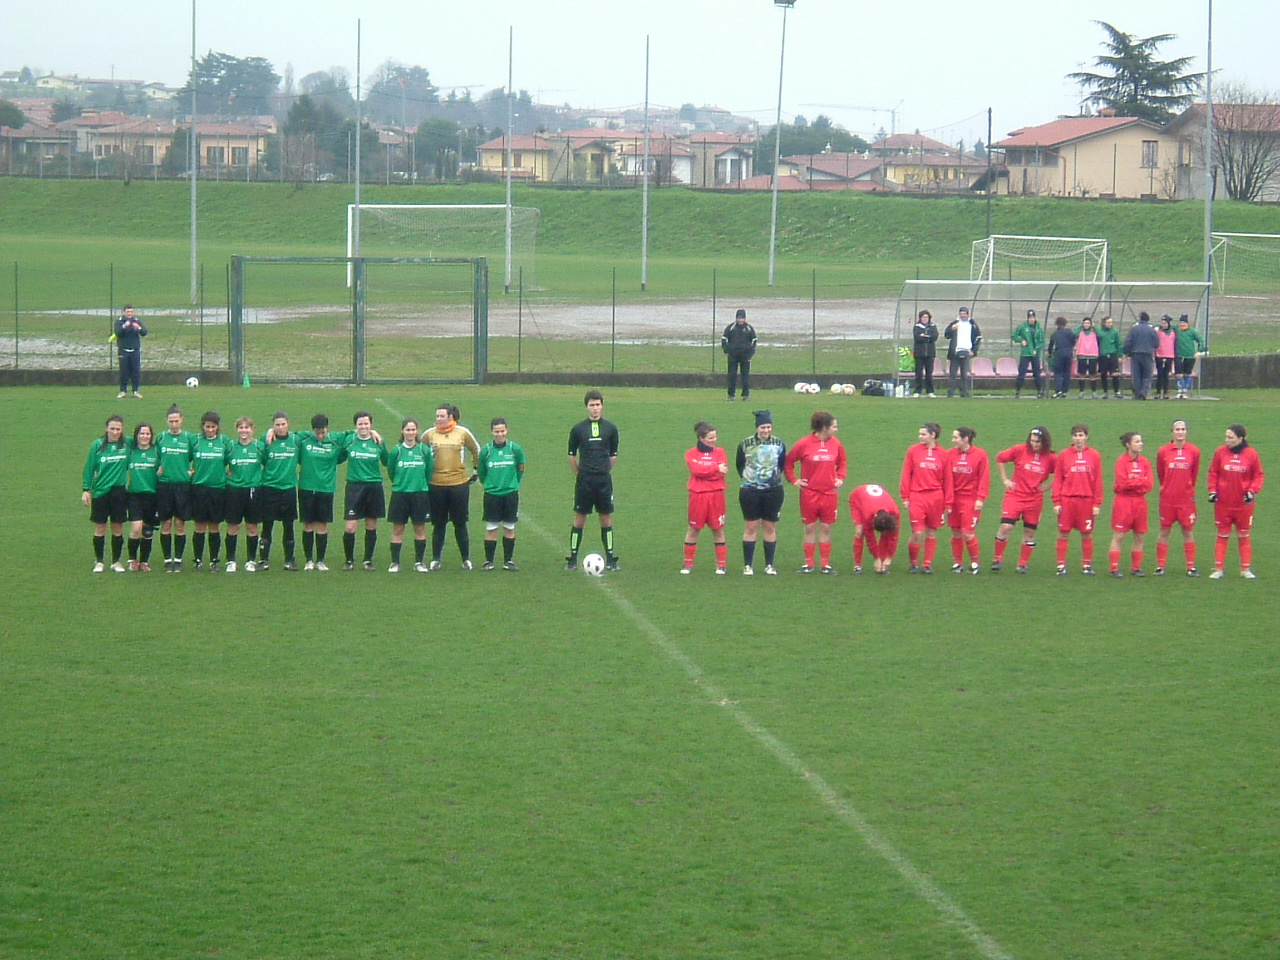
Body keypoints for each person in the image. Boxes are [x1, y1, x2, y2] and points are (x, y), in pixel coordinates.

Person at [783, 410, 847, 574]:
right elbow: (788, 462)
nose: (836, 429)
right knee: (810, 528)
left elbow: (843, 462)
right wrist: (794, 480)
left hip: (829, 493)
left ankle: (825, 564)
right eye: (834, 426)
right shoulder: (804, 444)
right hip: (809, 494)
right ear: (824, 428)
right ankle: (809, 564)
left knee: (826, 527)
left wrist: (840, 477)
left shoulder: (836, 444)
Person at [566, 389, 621, 571]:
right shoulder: (578, 429)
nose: (595, 409)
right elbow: (571, 455)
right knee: (580, 518)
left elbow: (614, 455)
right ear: (586, 407)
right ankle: (573, 558)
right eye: (592, 405)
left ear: (602, 406)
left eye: (598, 405)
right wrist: (580, 474)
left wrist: (604, 471)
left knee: (606, 518)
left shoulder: (611, 429)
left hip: (604, 481)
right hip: (585, 481)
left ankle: (611, 558)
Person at [425, 402, 481, 571]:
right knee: (439, 523)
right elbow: (418, 450)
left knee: (460, 522)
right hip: (436, 485)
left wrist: (477, 470)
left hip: (459, 485)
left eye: (442, 416)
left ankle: (466, 559)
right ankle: (436, 559)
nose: (439, 419)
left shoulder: (462, 433)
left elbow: (476, 450)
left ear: (451, 417)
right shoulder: (429, 434)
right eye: (437, 416)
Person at [992, 426, 1055, 573]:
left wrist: (1048, 487)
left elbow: (1062, 473)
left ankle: (1023, 563)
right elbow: (1000, 458)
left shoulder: (1051, 458)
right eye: (1032, 441)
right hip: (1015, 495)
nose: (1034, 444)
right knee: (1006, 527)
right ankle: (997, 559)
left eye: (1037, 442)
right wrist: (1005, 480)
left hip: (1034, 499)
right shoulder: (1020, 450)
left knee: (1029, 531)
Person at [1207, 423, 1265, 579]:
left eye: (1230, 437)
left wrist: (1252, 491)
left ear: (1240, 438)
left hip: (1243, 505)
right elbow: (1213, 473)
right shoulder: (1220, 452)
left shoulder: (1251, 454)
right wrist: (1212, 491)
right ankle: (1218, 569)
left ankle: (1245, 569)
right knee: (1222, 535)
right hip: (1223, 504)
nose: (1227, 440)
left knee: (1244, 535)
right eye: (1226, 437)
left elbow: (1258, 476)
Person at [292, 413, 347, 571]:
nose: (320, 435)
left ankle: (321, 560)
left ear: (327, 429)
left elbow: (352, 435)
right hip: (307, 488)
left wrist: (373, 432)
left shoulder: (335, 440)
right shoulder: (304, 439)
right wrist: (269, 432)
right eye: (317, 432)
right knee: (308, 524)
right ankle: (309, 559)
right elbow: (286, 434)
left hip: (326, 488)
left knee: (322, 524)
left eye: (323, 432)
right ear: (312, 430)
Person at [736, 409, 787, 576]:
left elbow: (781, 465)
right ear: (757, 427)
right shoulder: (745, 444)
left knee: (770, 526)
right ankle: (748, 565)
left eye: (768, 427)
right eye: (763, 427)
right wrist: (751, 480)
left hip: (773, 491)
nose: (766, 431)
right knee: (751, 527)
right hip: (750, 491)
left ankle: (769, 565)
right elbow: (740, 465)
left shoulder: (779, 444)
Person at [335, 411, 388, 571]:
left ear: (371, 424)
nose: (363, 426)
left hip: (374, 486)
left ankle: (367, 560)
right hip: (354, 487)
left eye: (366, 424)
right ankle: (349, 560)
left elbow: (387, 461)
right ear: (355, 426)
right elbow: (338, 458)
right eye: (360, 424)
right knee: (350, 527)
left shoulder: (377, 442)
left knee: (371, 525)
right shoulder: (350, 441)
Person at [900, 422, 953, 574]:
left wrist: (948, 503)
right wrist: (905, 496)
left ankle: (927, 564)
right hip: (917, 496)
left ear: (933, 435)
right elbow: (906, 474)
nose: (920, 437)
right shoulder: (913, 451)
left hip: (936, 497)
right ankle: (914, 562)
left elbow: (948, 479)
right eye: (920, 434)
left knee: (931, 531)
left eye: (923, 434)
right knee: (917, 532)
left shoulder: (943, 454)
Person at [1052, 424, 1104, 576]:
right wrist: (1056, 501)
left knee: (1087, 533)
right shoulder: (1064, 455)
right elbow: (1058, 480)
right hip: (1067, 500)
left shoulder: (1095, 455)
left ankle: (1086, 565)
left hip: (1086, 501)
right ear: (1072, 437)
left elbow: (1098, 481)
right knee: (1063, 533)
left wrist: (1097, 503)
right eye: (1075, 435)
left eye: (1081, 435)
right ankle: (1061, 565)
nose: (1078, 439)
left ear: (1086, 437)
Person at [384, 418, 433, 573]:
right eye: (408, 429)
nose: (410, 433)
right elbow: (391, 471)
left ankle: (419, 562)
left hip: (419, 495)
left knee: (420, 528)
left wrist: (419, 485)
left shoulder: (424, 450)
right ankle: (395, 563)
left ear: (417, 431)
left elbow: (428, 472)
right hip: (400, 494)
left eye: (413, 430)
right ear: (402, 431)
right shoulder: (396, 451)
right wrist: (401, 483)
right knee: (398, 529)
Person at [477, 416, 526, 571]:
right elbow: (482, 472)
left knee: (509, 527)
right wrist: (490, 485)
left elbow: (520, 468)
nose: (500, 434)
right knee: (491, 527)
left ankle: (508, 561)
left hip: (510, 494)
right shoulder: (486, 451)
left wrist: (513, 483)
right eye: (497, 431)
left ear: (507, 431)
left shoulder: (514, 449)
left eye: (502, 431)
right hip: (492, 495)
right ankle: (489, 561)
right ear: (492, 431)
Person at [680, 421, 730, 574]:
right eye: (710, 438)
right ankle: (688, 564)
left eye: (715, 437)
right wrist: (714, 468)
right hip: (698, 496)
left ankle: (721, 565)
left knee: (718, 529)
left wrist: (708, 472)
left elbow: (723, 471)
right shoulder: (691, 453)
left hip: (716, 496)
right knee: (694, 528)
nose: (714, 440)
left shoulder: (720, 452)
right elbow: (696, 470)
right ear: (701, 438)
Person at [82, 414, 130, 572]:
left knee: (117, 528)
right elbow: (89, 469)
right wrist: (86, 490)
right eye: (112, 429)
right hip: (101, 492)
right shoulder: (97, 445)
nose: (115, 432)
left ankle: (116, 561)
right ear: (106, 428)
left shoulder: (127, 443)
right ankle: (99, 561)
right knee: (100, 528)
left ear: (122, 430)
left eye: (118, 429)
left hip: (119, 492)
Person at [1156, 419, 1201, 577]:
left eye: (1183, 429)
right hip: (1168, 499)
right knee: (1164, 531)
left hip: (1186, 500)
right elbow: (1161, 474)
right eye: (1177, 429)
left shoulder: (1194, 451)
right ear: (1172, 432)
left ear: (1186, 431)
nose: (1180, 432)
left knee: (1188, 531)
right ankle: (1160, 566)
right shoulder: (1163, 451)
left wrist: (1187, 489)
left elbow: (1194, 474)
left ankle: (1190, 566)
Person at [155, 404, 196, 572]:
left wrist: (191, 471)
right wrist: (158, 469)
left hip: (183, 486)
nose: (173, 424)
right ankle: (167, 559)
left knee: (180, 524)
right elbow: (155, 457)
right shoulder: (161, 438)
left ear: (182, 420)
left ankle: (178, 559)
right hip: (164, 486)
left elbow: (197, 457)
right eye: (170, 421)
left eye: (176, 421)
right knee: (166, 523)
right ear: (166, 421)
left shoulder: (189, 438)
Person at [190, 411, 232, 571]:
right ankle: (198, 560)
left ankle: (214, 560)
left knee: (214, 526)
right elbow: (184, 458)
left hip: (218, 489)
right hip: (199, 488)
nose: (210, 430)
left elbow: (230, 460)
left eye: (213, 427)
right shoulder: (195, 441)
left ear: (218, 427)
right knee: (200, 526)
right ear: (202, 426)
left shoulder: (224, 442)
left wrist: (229, 472)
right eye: (207, 426)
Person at [258, 411, 301, 571]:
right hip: (269, 488)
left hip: (288, 489)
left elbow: (317, 433)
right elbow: (260, 459)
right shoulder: (266, 440)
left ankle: (290, 560)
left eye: (283, 424)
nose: (280, 427)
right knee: (267, 524)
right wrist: (269, 433)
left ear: (288, 423)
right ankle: (263, 560)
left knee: (288, 525)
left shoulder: (296, 439)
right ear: (273, 426)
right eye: (277, 425)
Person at [1109, 432, 1154, 577]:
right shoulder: (1121, 462)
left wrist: (1133, 483)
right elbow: (1122, 484)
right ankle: (1114, 568)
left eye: (1141, 441)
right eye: (1137, 441)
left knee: (1140, 536)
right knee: (1120, 535)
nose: (1140, 444)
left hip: (1140, 502)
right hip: (1124, 502)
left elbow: (1149, 485)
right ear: (1128, 445)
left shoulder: (1145, 462)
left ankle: (1136, 567)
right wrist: (1140, 482)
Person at [224, 416, 265, 573]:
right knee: (233, 526)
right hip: (234, 490)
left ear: (252, 430)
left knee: (252, 527)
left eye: (247, 428)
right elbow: (220, 463)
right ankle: (231, 560)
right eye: (241, 428)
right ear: (237, 430)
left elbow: (267, 463)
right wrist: (226, 473)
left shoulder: (259, 447)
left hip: (253, 490)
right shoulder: (231, 447)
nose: (244, 431)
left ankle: (251, 560)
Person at [946, 426, 989, 574]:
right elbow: (948, 479)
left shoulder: (980, 455)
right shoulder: (950, 454)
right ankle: (958, 563)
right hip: (955, 500)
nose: (953, 441)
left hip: (971, 500)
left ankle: (975, 562)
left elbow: (984, 477)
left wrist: (980, 498)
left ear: (965, 439)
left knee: (968, 532)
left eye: (955, 437)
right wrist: (948, 500)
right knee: (956, 532)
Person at [125, 421, 160, 571]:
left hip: (152, 496)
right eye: (141, 433)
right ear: (136, 435)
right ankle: (132, 559)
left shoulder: (156, 452)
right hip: (134, 496)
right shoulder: (131, 452)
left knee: (147, 531)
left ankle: (144, 561)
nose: (144, 436)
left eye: (147, 434)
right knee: (136, 528)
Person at [848, 483, 900, 574]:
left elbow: (894, 536)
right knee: (860, 531)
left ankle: (882, 564)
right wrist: (876, 558)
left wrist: (889, 557)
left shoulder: (895, 512)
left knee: (886, 534)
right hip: (857, 498)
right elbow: (870, 537)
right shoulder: (868, 515)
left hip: (873, 501)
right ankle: (857, 565)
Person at [944, 306, 982, 398]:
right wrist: (951, 329)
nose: (962, 316)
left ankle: (965, 392)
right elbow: (946, 335)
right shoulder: (955, 323)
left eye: (964, 314)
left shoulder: (972, 324)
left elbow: (978, 338)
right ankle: (951, 392)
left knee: (964, 373)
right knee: (953, 373)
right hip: (955, 351)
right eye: (961, 314)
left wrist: (974, 350)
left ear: (967, 314)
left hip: (967, 351)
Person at [721, 307, 757, 402]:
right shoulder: (731, 328)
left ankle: (746, 395)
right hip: (732, 356)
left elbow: (754, 341)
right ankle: (731, 395)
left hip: (745, 357)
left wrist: (750, 354)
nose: (740, 320)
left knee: (745, 377)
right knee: (732, 376)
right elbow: (724, 339)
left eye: (742, 318)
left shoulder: (749, 329)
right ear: (736, 318)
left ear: (745, 318)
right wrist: (727, 351)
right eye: (739, 318)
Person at [1124, 311, 1160, 400]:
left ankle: (1137, 393)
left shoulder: (1134, 329)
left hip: (1135, 353)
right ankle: (1144, 391)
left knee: (1136, 374)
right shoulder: (1152, 330)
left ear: (1140, 318)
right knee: (1147, 374)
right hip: (1148, 353)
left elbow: (1128, 342)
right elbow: (1156, 343)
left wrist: (1126, 352)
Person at [113, 305, 147, 398]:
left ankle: (136, 391)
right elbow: (117, 332)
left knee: (136, 371)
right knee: (124, 372)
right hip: (123, 350)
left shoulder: (137, 321)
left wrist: (139, 328)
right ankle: (123, 391)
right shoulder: (119, 322)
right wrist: (124, 326)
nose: (129, 314)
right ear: (124, 312)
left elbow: (144, 332)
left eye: (131, 312)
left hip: (135, 350)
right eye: (128, 312)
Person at [1011, 309, 1044, 399]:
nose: (1031, 319)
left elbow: (1041, 341)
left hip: (1035, 354)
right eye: (1030, 318)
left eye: (1033, 317)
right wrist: (1021, 340)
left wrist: (1036, 350)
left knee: (1037, 373)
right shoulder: (1023, 326)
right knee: (1022, 373)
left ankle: (1039, 391)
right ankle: (1018, 391)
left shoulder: (1039, 328)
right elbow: (1014, 335)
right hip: (1025, 353)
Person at [1174, 315, 1206, 399]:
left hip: (1190, 356)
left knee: (1187, 374)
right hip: (1178, 355)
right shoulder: (1176, 329)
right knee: (1178, 374)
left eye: (1184, 323)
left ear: (1187, 323)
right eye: (1181, 323)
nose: (1182, 324)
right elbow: (1165, 327)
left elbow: (1201, 340)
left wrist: (1200, 351)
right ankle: (1180, 390)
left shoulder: (1192, 331)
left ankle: (1185, 391)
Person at [1046, 316, 1076, 399]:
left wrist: (1050, 353)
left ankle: (1058, 390)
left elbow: (1050, 346)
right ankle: (1065, 391)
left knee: (1058, 372)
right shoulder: (1069, 332)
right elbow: (1074, 341)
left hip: (1059, 353)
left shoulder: (1055, 334)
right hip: (1069, 353)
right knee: (1067, 372)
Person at [912, 309, 940, 397]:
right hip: (919, 354)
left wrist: (926, 337)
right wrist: (926, 338)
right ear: (920, 318)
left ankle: (930, 391)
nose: (925, 319)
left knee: (929, 373)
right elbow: (917, 337)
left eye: (926, 317)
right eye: (923, 317)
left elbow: (934, 337)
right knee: (919, 372)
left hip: (930, 353)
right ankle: (918, 390)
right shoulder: (917, 327)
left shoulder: (932, 326)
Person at [1097, 315, 1124, 399]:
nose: (1110, 324)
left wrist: (1120, 355)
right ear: (1104, 323)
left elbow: (1119, 344)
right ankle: (1105, 392)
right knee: (1103, 374)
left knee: (1115, 374)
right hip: (1103, 355)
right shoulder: (1100, 332)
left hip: (1112, 355)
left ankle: (1117, 391)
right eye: (1108, 322)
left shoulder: (1115, 332)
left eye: (1111, 322)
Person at [1074, 316, 1101, 397]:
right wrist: (1080, 326)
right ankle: (1082, 391)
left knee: (1093, 374)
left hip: (1093, 355)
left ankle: (1094, 391)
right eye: (1085, 323)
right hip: (1082, 355)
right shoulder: (1080, 332)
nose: (1086, 325)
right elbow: (1074, 333)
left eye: (1088, 323)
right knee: (1082, 374)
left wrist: (1095, 326)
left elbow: (1101, 334)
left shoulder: (1094, 332)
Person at [1154, 315, 1177, 400]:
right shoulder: (1158, 331)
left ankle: (1166, 391)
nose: (1163, 325)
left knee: (1166, 374)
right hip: (1159, 355)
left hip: (1169, 355)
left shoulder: (1173, 331)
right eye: (1162, 323)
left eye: (1165, 323)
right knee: (1159, 374)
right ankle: (1158, 392)